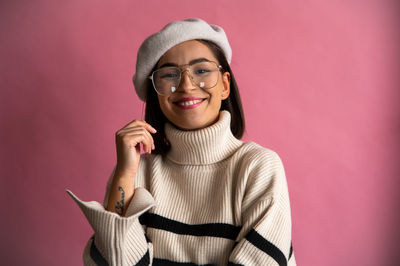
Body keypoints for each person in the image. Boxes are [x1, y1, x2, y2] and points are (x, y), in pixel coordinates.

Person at [66, 18, 296, 266]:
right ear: (156, 93)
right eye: (169, 75)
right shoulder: (137, 173)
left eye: (202, 71)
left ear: (225, 85)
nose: (186, 85)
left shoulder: (258, 167)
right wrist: (124, 174)